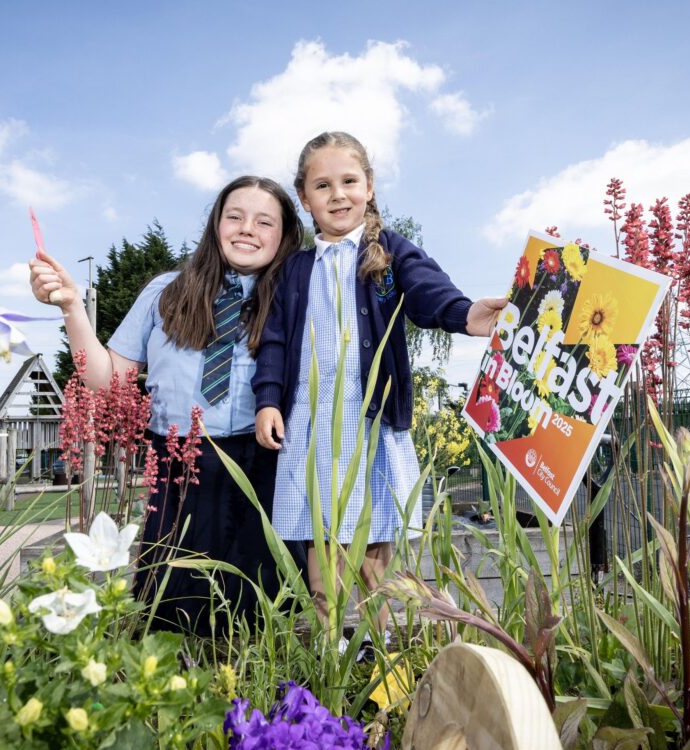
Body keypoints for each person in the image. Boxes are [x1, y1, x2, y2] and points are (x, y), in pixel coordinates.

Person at [253, 131, 507, 655]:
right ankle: (328, 646)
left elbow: (424, 287)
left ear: (368, 187)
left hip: (369, 415)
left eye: (349, 181)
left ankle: (384, 642)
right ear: (304, 198)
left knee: (374, 542)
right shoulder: (294, 269)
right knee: (322, 535)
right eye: (322, 185)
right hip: (311, 420)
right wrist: (269, 401)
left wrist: (462, 312)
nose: (337, 194)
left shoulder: (386, 251)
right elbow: (274, 340)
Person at [30, 175, 304, 635]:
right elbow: (106, 380)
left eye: (264, 222)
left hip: (266, 466)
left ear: (284, 235)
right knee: (173, 610)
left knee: (260, 616)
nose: (246, 229)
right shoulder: (166, 291)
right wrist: (72, 308)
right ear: (216, 224)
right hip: (179, 465)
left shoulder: (293, 298)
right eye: (234, 217)